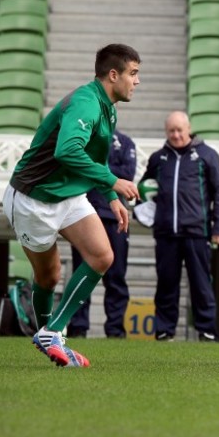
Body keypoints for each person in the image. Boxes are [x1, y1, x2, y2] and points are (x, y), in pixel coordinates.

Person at [2, 43, 141, 367]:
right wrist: (113, 182)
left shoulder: (108, 108)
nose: (137, 81)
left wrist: (110, 197)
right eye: (133, 74)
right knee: (49, 277)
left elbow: (94, 156)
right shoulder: (85, 103)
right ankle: (50, 334)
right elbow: (67, 151)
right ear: (112, 74)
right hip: (33, 198)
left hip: (68, 195)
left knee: (102, 255)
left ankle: (52, 333)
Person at [139, 111, 219, 342]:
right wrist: (143, 213)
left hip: (197, 231)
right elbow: (144, 189)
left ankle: (206, 330)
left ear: (189, 129)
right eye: (171, 131)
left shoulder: (207, 155)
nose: (176, 135)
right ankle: (165, 330)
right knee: (166, 283)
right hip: (166, 232)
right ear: (166, 132)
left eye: (180, 130)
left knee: (201, 284)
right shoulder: (158, 158)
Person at [67, 129, 137, 339]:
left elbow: (127, 175)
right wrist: (106, 173)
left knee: (116, 276)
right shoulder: (83, 140)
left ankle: (115, 330)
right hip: (84, 216)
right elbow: (76, 170)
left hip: (115, 218)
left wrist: (96, 168)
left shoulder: (124, 142)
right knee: (82, 274)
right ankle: (78, 328)